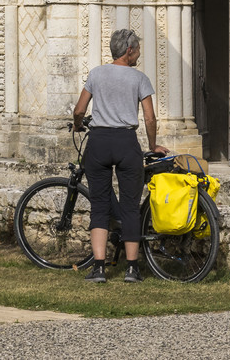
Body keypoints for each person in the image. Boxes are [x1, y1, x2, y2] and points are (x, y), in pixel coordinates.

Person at [72, 28, 168, 283]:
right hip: (126, 143)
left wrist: (78, 125)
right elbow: (149, 117)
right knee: (129, 207)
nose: (138, 54)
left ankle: (99, 269)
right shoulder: (139, 78)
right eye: (137, 50)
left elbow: (80, 109)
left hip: (99, 142)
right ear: (129, 51)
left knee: (100, 206)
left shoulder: (96, 74)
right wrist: (153, 144)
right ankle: (132, 269)